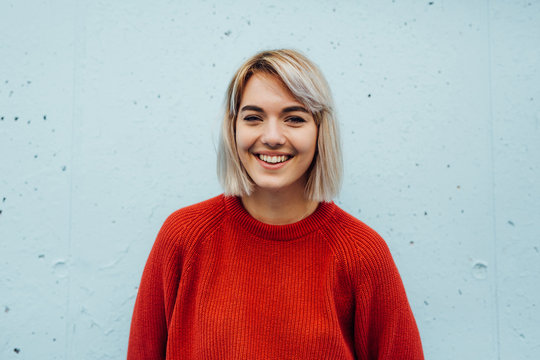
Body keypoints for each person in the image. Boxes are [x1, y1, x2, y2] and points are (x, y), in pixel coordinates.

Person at [127, 49, 424, 359]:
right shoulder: (184, 237)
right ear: (233, 128)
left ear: (320, 131)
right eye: (253, 118)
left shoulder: (362, 253)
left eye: (294, 118)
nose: (271, 137)